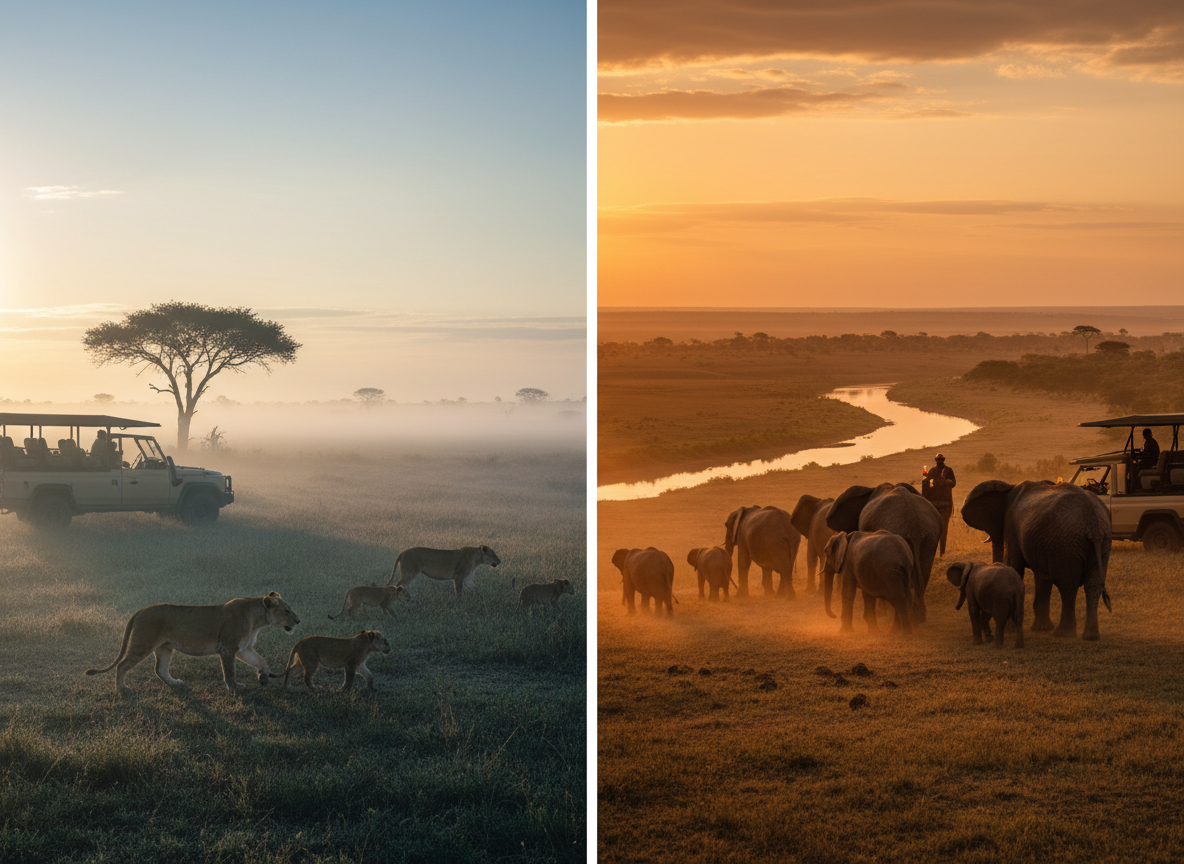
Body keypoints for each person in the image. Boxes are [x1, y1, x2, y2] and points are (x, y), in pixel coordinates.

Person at [924, 453, 957, 556]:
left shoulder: (949, 470)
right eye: (938, 459)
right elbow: (927, 484)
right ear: (935, 460)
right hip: (934, 503)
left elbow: (954, 483)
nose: (939, 461)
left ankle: (942, 552)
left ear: (944, 460)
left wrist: (947, 482)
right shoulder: (932, 471)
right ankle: (933, 551)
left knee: (944, 528)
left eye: (941, 460)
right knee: (933, 528)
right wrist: (927, 479)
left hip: (946, 502)